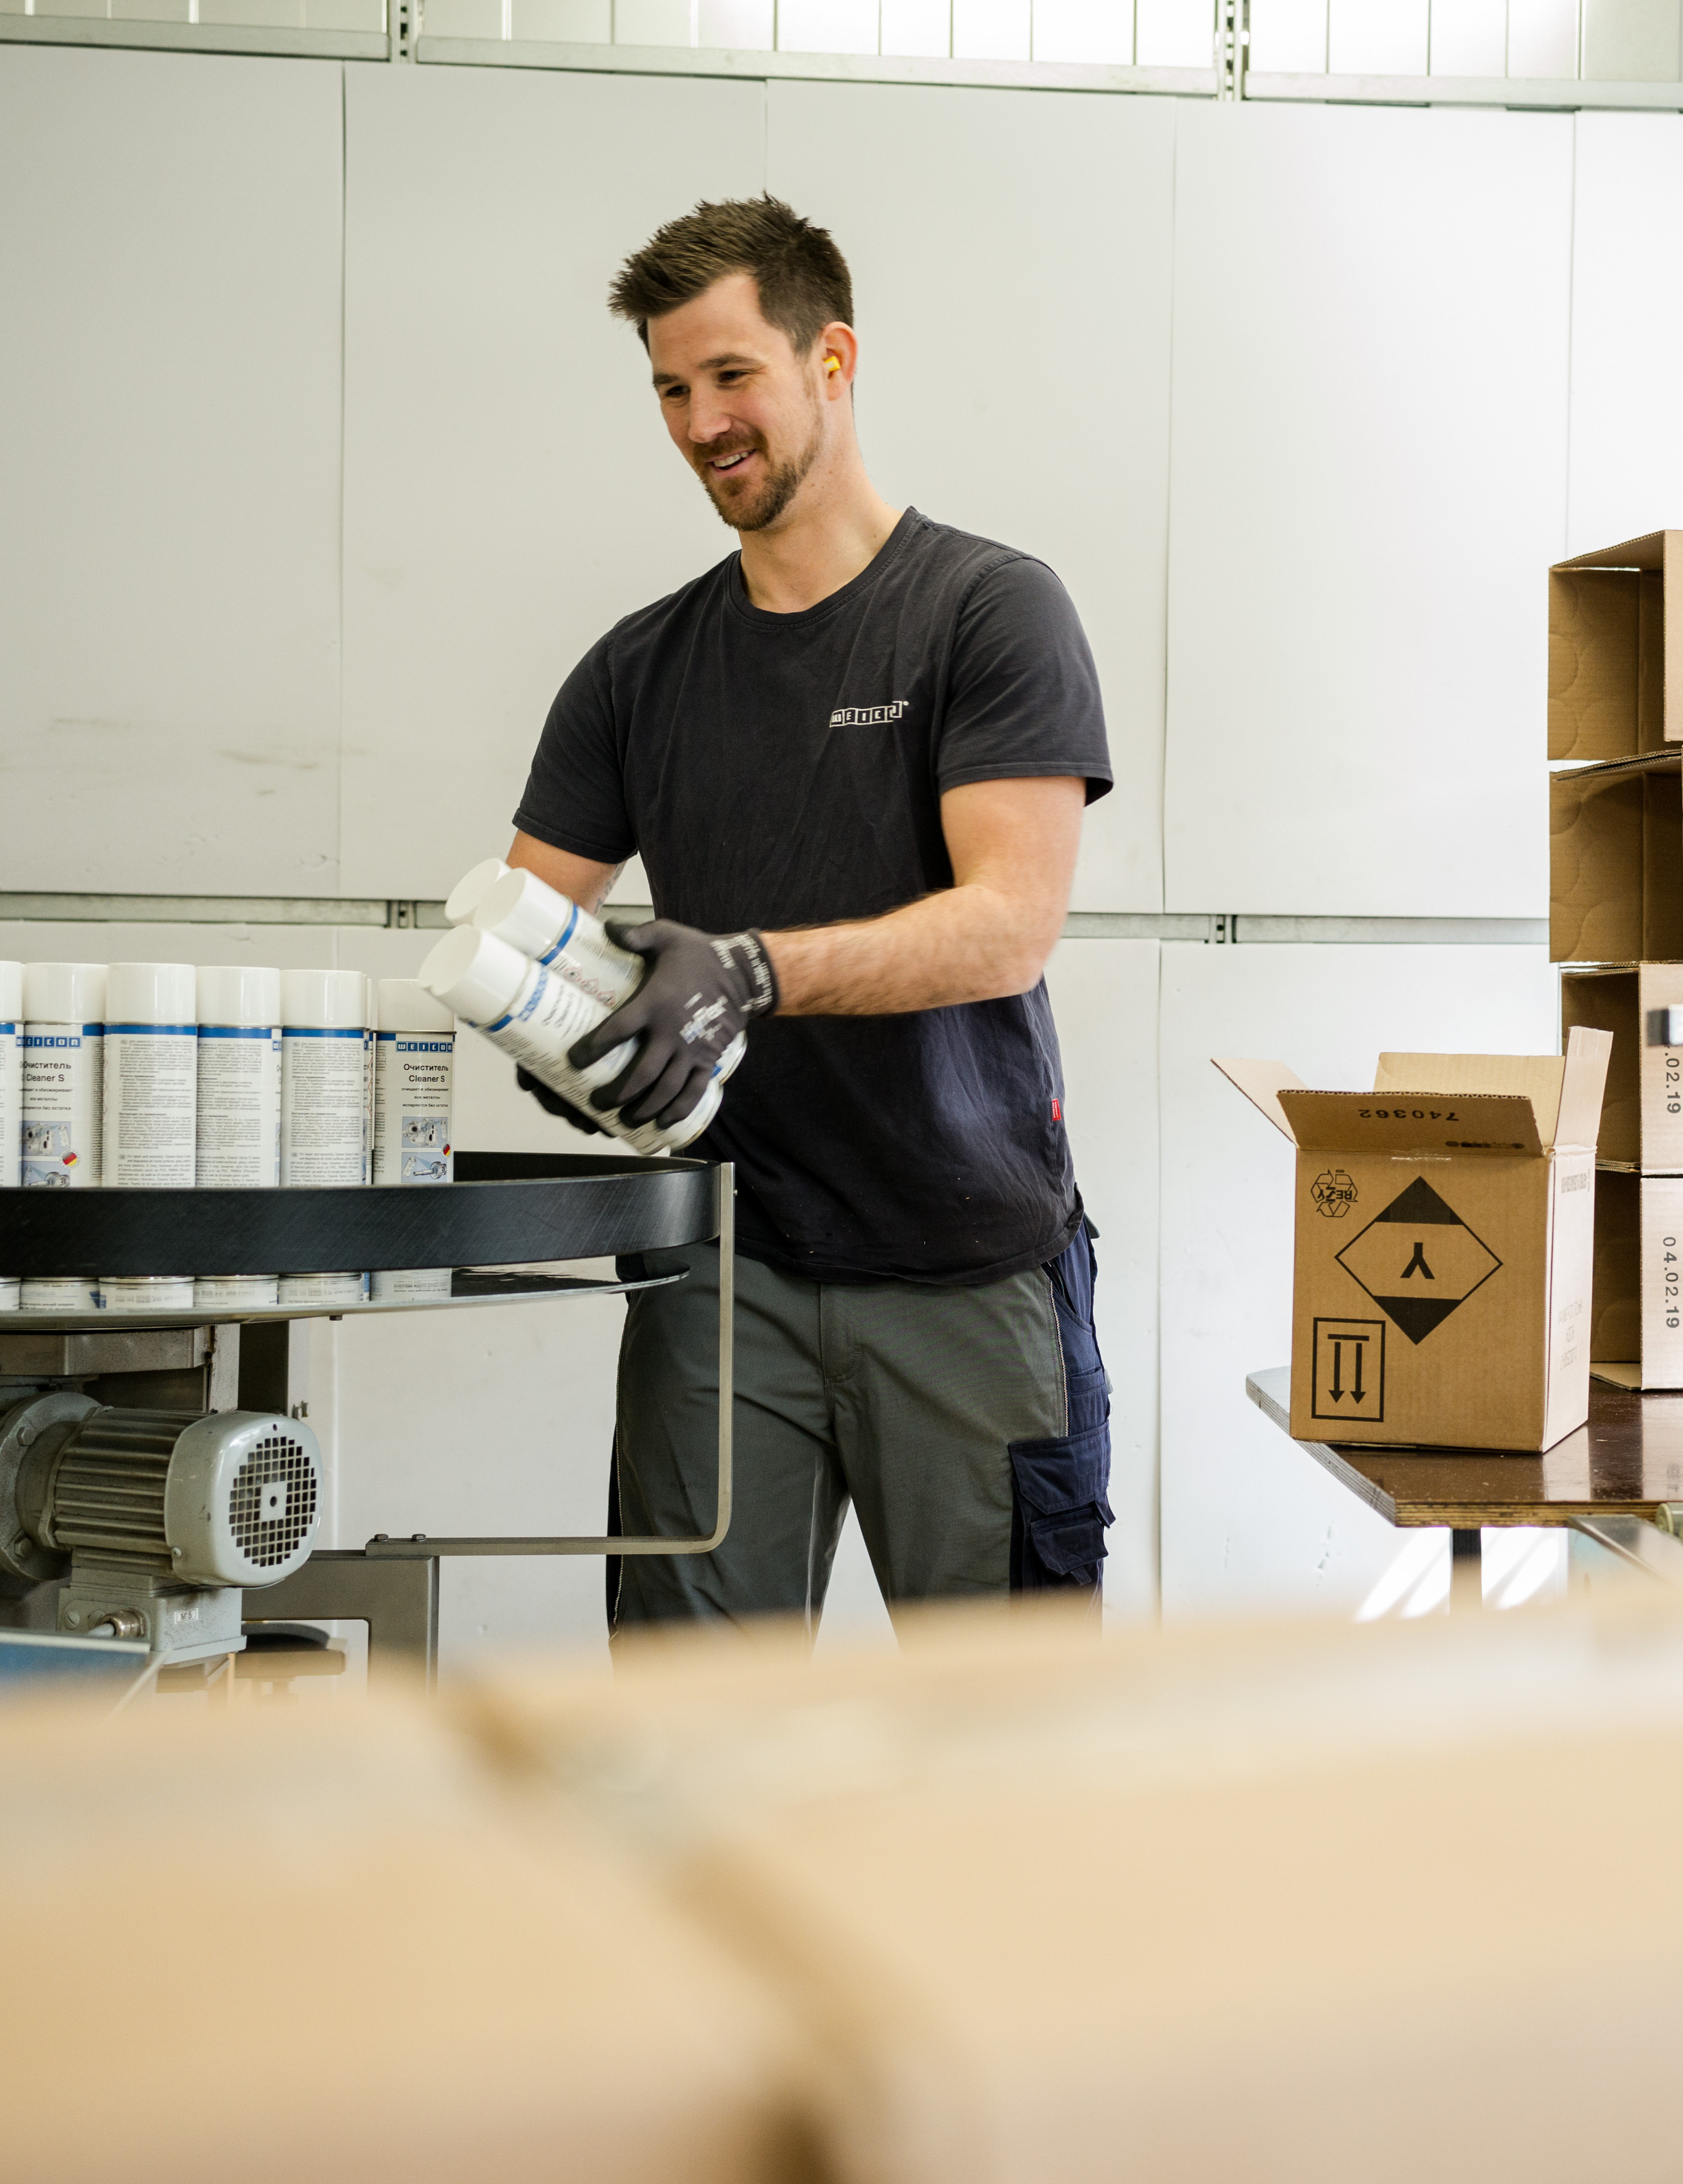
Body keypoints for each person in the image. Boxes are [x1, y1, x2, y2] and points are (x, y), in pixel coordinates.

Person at [504, 195, 1115, 1637]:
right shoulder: (637, 671)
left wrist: (743, 975)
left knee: (1003, 1754)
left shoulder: (988, 613)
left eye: (732, 377)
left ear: (831, 360)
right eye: (669, 387)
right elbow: (524, 924)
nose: (700, 420)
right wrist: (571, 1036)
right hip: (724, 1271)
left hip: (965, 1267)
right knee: (688, 1729)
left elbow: (1007, 925)